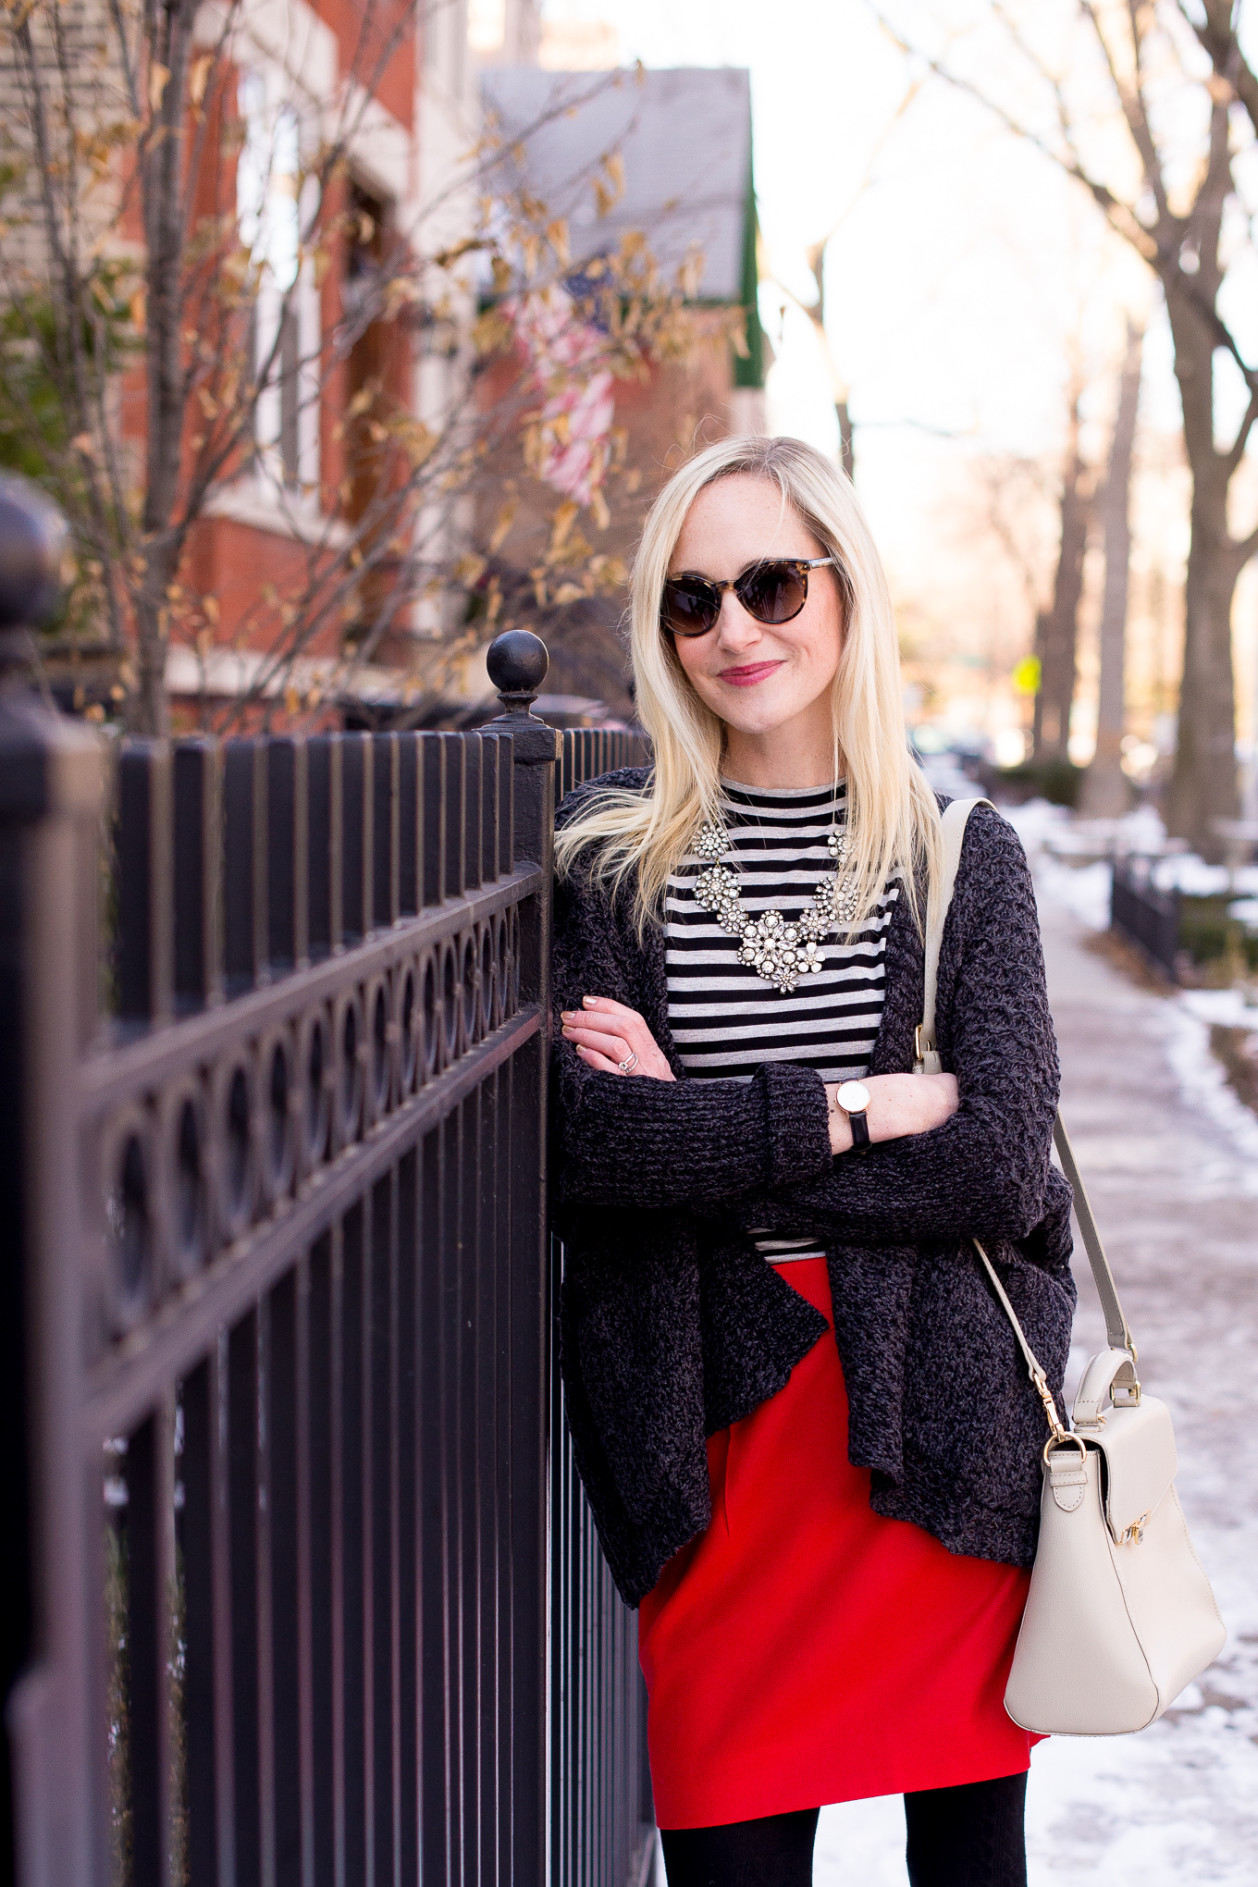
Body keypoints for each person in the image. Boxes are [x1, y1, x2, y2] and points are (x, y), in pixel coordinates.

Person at [549, 435, 1075, 1887]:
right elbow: (597, 1150)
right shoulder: (609, 861)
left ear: (845, 595)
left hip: (939, 1445)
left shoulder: (959, 858)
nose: (734, 631)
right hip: (711, 1446)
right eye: (692, 599)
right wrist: (856, 1105)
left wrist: (704, 1139)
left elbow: (989, 1163)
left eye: (772, 585)